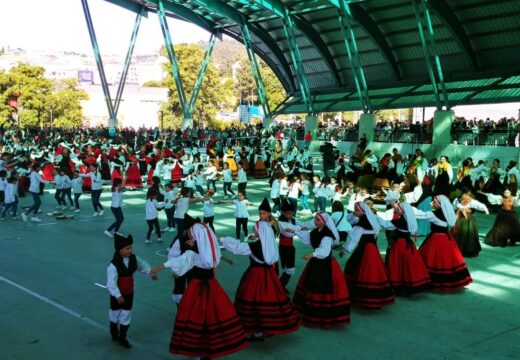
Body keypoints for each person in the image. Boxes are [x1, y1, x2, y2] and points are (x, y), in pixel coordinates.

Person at [151, 216, 249, 359]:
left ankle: (202, 349)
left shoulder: (199, 252)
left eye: (191, 233)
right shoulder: (198, 251)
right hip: (206, 287)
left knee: (201, 317)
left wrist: (158, 268)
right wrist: (160, 268)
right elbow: (176, 259)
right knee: (205, 317)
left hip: (199, 288)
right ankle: (202, 350)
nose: (189, 236)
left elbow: (189, 257)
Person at [221, 198, 300, 341]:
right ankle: (267, 328)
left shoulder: (255, 246)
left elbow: (238, 248)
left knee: (253, 302)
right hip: (269, 274)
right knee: (270, 301)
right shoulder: (269, 243)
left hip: (255, 275)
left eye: (263, 213)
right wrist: (258, 235)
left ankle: (257, 331)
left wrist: (222, 239)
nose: (261, 216)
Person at [289, 211, 350, 328]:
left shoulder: (327, 235)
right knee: (312, 284)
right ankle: (311, 313)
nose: (315, 222)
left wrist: (312, 254)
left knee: (322, 286)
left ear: (324, 221)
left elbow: (325, 251)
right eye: (315, 219)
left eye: (318, 220)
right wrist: (295, 231)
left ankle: (323, 316)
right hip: (316, 262)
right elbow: (308, 238)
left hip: (325, 263)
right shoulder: (315, 231)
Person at [413, 195, 473, 291]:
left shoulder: (433, 214)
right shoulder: (447, 213)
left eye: (434, 202)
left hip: (436, 239)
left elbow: (419, 214)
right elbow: (451, 222)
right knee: (448, 260)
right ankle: (450, 281)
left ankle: (432, 281)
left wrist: (407, 208)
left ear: (439, 204)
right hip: (446, 238)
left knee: (434, 259)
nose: (431, 203)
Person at [341, 202, 394, 309]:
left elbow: (354, 239)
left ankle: (358, 295)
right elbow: (388, 225)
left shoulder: (361, 224)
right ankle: (377, 296)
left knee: (353, 267)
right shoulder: (373, 218)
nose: (354, 211)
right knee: (375, 271)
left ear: (363, 211)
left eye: (356, 210)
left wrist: (345, 250)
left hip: (363, 249)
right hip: (373, 249)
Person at [107, 233, 155, 348]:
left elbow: (142, 265)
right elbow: (111, 283)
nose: (130, 250)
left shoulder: (133, 258)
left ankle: (122, 337)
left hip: (129, 293)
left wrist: (150, 271)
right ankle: (114, 332)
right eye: (127, 248)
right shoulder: (113, 265)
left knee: (126, 314)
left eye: (130, 248)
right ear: (119, 249)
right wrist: (117, 295)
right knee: (115, 313)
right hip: (117, 295)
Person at [377, 202, 431, 296]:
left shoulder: (400, 221)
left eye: (397, 209)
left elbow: (386, 225)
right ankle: (408, 284)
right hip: (408, 244)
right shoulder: (409, 220)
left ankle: (398, 285)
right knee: (408, 265)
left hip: (399, 245)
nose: (396, 210)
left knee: (397, 264)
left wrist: (376, 216)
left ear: (402, 210)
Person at [452, 191, 489, 257]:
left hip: (468, 219)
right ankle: (456, 249)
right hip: (459, 218)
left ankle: (468, 250)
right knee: (458, 233)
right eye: (461, 199)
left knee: (468, 233)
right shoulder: (457, 200)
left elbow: (480, 205)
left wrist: (486, 210)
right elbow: (453, 207)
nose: (462, 200)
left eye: (463, 199)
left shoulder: (472, 201)